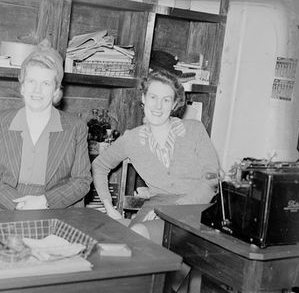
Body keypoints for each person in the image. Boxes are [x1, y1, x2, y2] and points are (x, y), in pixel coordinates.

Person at [92, 69, 220, 244]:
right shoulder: (132, 139)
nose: (158, 106)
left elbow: (212, 179)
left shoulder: (194, 129)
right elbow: (99, 166)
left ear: (175, 104)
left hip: (195, 208)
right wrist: (109, 207)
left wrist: (174, 209)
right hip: (155, 208)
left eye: (166, 100)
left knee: (137, 238)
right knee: (120, 243)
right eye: (153, 97)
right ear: (143, 98)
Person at [0, 40, 92, 211]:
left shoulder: (75, 127)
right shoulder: (4, 121)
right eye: (31, 81)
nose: (37, 90)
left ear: (56, 91)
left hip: (55, 208)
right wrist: (18, 204)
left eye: (46, 83)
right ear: (22, 86)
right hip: (7, 205)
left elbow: (82, 181)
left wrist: (44, 201)